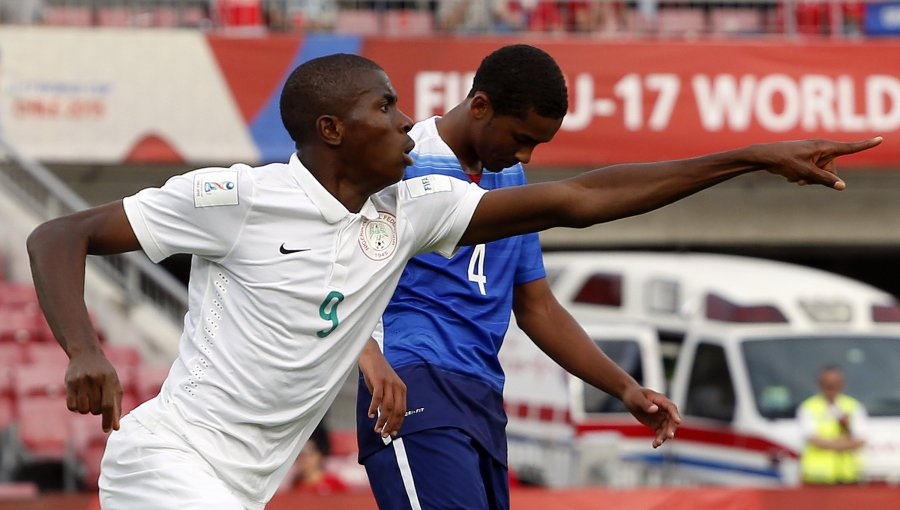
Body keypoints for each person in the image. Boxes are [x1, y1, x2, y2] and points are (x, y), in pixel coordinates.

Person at [26, 51, 878, 509]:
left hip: (250, 482)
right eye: (385, 109)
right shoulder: (238, 198)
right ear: (331, 130)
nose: (406, 122)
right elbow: (60, 230)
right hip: (170, 463)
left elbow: (581, 199)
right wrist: (82, 349)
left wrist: (744, 159)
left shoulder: (415, 208)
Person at [354, 44, 673, 510]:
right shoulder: (398, 164)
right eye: (520, 137)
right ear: (480, 106)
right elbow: (323, 269)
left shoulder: (511, 177)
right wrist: (367, 354)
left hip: (481, 396)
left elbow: (536, 306)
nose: (526, 153)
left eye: (537, 144)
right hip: (411, 384)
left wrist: (623, 386)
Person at [797, 365, 868, 484]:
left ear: (842, 384)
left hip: (849, 476)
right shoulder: (808, 407)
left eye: (835, 382)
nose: (831, 386)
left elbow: (861, 439)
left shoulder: (853, 406)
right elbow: (812, 438)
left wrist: (845, 429)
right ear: (820, 384)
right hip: (818, 477)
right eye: (827, 383)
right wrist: (843, 443)